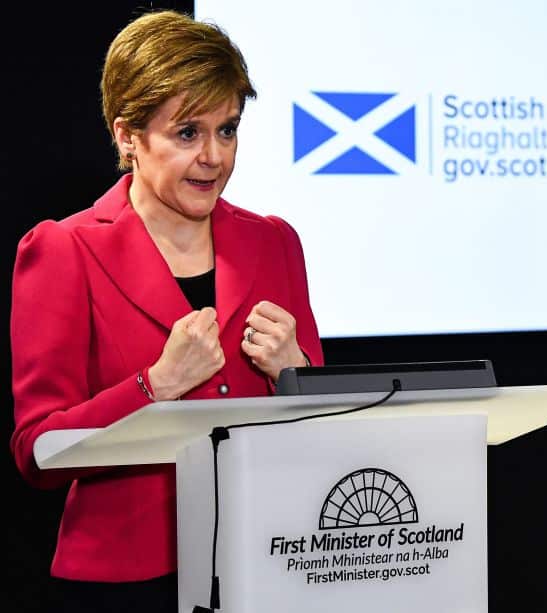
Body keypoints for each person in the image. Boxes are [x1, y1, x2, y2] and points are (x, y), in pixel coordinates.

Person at [9, 10, 324, 612]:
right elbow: (36, 451)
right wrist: (153, 387)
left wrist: (296, 370)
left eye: (227, 130)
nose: (214, 157)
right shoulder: (62, 250)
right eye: (188, 133)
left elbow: (316, 421)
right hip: (125, 586)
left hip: (267, 565)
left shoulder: (274, 241)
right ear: (128, 136)